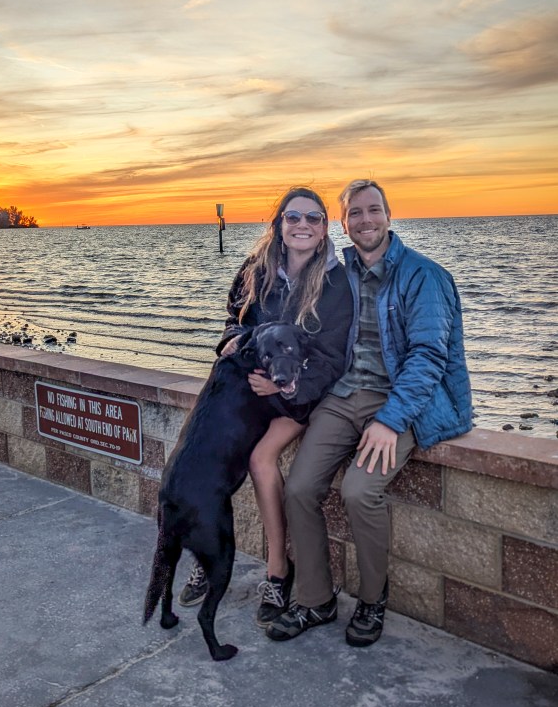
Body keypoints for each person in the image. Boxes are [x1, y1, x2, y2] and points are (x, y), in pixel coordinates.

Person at [266, 179, 473, 647]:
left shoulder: (424, 276)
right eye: (354, 213)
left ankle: (373, 598)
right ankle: (316, 600)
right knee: (298, 487)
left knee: (360, 491)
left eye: (372, 210)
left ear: (388, 214)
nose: (365, 220)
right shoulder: (341, 274)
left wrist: (390, 420)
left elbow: (427, 357)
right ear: (343, 224)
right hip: (343, 397)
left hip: (401, 400)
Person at [178, 187, 353, 628]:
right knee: (208, 460)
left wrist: (284, 391)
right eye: (293, 217)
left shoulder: (335, 283)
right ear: (279, 224)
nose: (302, 226)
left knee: (259, 458)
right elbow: (231, 321)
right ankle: (208, 555)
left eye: (313, 218)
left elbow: (333, 358)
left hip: (299, 396)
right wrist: (230, 342)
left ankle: (278, 571)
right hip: (246, 388)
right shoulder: (255, 270)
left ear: (324, 227)